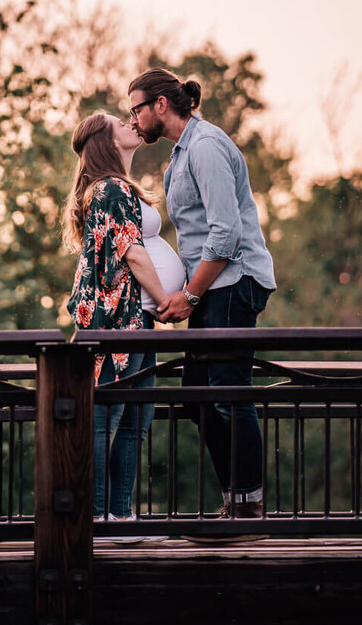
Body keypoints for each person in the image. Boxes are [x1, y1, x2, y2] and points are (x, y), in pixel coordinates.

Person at [128, 67, 277, 534]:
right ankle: (236, 498)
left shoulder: (207, 146)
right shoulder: (181, 154)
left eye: (136, 109)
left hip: (232, 281)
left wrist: (190, 294)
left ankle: (248, 504)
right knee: (199, 398)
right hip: (212, 286)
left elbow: (227, 234)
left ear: (161, 105)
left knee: (229, 390)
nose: (132, 120)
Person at [63, 111, 186, 529]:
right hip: (120, 322)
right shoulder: (110, 188)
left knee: (135, 421)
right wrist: (169, 301)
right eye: (120, 122)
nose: (130, 124)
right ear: (105, 140)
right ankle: (98, 519)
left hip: (140, 322)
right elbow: (131, 253)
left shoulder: (117, 186)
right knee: (108, 420)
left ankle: (120, 515)